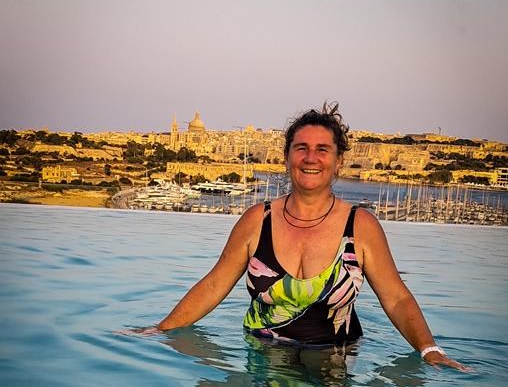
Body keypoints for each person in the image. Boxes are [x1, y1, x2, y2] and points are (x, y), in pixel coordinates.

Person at [145, 103, 469, 372]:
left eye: (322, 150)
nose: (311, 158)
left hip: (334, 358)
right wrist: (161, 330)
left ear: (338, 161)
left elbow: (396, 298)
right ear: (286, 157)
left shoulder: (361, 226)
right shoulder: (257, 220)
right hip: (262, 354)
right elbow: (215, 284)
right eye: (301, 148)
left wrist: (429, 350)